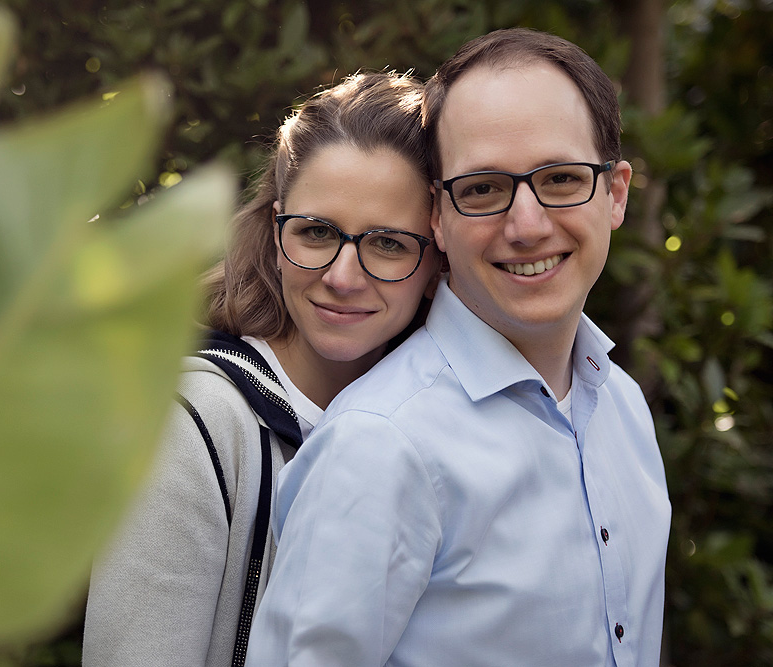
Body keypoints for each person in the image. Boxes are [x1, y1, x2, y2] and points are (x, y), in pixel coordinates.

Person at [246, 28, 671, 667]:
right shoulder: (382, 445)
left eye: (560, 178)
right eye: (482, 189)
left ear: (615, 193)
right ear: (437, 220)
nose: (527, 226)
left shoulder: (626, 411)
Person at [82, 71, 442, 667]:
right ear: (277, 233)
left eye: (387, 243)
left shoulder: (433, 424)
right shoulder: (191, 426)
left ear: (436, 260)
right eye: (315, 232)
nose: (343, 277)